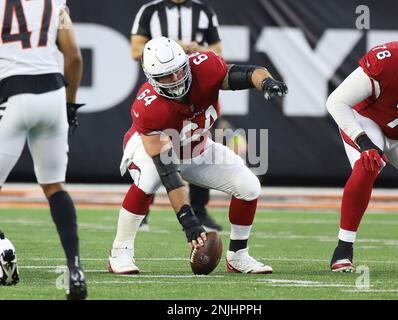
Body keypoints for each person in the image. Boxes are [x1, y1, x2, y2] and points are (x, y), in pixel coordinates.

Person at [108, 36, 288, 274]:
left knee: (249, 186)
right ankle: (120, 253)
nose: (175, 79)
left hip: (195, 146)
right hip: (150, 149)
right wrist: (188, 220)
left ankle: (238, 257)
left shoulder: (205, 67)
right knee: (150, 178)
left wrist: (266, 83)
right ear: (152, 79)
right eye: (166, 76)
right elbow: (168, 172)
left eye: (178, 70)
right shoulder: (148, 106)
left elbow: (249, 73)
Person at [326, 13, 398, 272]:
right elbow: (336, 101)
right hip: (368, 122)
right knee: (368, 163)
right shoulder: (387, 62)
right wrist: (363, 141)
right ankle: (343, 248)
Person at [0, 1, 87, 299]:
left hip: (11, 94)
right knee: (54, 186)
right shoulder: (55, 5)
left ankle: (1, 249)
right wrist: (71, 104)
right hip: (52, 94)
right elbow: (73, 57)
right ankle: (75, 268)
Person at [130, 0, 223, 232]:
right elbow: (135, 50)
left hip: (194, 88)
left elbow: (218, 52)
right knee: (153, 155)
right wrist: (175, 50)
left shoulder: (203, 11)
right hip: (162, 96)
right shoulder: (150, 11)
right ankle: (142, 212)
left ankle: (199, 212)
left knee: (199, 148)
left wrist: (196, 51)